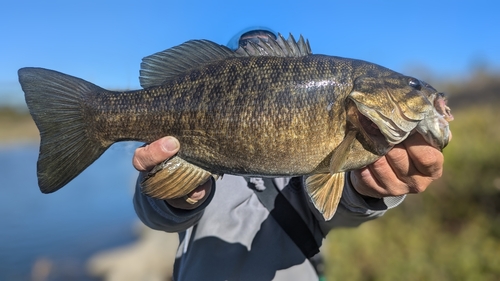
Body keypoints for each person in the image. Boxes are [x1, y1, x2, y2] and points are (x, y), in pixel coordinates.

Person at [132, 29, 446, 281]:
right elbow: (155, 212)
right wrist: (178, 196)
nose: (419, 92)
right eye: (413, 86)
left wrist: (368, 191)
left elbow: (342, 203)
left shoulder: (314, 160)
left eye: (413, 86)